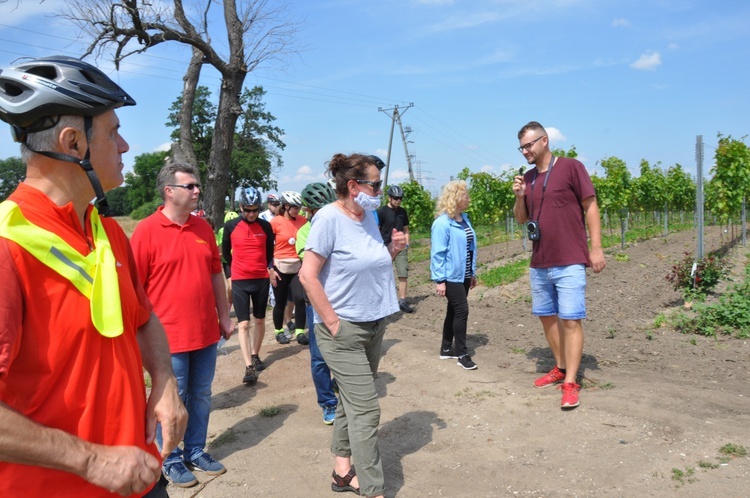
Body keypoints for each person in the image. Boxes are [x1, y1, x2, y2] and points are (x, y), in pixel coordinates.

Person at [0, 55, 186, 497]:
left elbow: (141, 316)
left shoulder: (102, 229)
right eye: (113, 133)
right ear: (72, 143)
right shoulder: (8, 245)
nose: (124, 147)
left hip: (138, 476)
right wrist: (91, 460)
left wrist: (163, 377)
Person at [299, 153, 404, 498]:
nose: (379, 190)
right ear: (353, 186)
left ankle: (342, 470)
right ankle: (373, 489)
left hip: (374, 325)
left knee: (350, 402)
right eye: (374, 184)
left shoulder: (369, 216)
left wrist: (392, 249)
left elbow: (369, 264)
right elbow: (307, 275)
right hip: (343, 329)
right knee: (367, 409)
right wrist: (332, 322)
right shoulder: (328, 219)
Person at [130, 163, 232, 487]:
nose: (197, 190)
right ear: (169, 191)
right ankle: (169, 458)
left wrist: (224, 315)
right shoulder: (146, 231)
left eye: (197, 185)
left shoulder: (204, 229)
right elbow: (135, 289)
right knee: (175, 397)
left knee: (201, 394)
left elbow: (216, 274)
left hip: (205, 332)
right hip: (167, 338)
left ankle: (196, 450)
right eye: (189, 186)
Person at [512, 121, 606, 409]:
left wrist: (597, 248)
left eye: (529, 145)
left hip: (569, 258)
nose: (525, 151)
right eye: (522, 147)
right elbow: (520, 218)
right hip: (540, 260)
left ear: (544, 140)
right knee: (547, 317)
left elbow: (590, 205)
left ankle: (571, 382)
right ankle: (560, 367)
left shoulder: (570, 167)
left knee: (571, 319)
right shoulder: (527, 178)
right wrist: (519, 197)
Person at [296, 182, 339, 425]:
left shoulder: (340, 225)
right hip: (316, 301)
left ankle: (339, 386)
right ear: (309, 211)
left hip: (342, 300)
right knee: (320, 356)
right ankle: (327, 402)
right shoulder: (304, 232)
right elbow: (314, 269)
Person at [222, 187, 275, 384]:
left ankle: (255, 354)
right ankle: (248, 366)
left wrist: (266, 270)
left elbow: (269, 253)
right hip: (240, 280)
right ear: (241, 207)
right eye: (247, 210)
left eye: (255, 210)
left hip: (260, 279)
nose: (251, 214)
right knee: (243, 324)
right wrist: (230, 276)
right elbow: (226, 254)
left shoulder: (265, 227)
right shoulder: (230, 226)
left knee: (260, 320)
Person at [430, 180, 479, 371]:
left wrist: (472, 273)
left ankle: (445, 348)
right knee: (462, 311)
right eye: (466, 195)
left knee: (453, 311)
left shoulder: (464, 219)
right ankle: (462, 354)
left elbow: (470, 248)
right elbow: (438, 253)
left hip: (464, 274)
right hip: (450, 276)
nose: (468, 199)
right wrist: (440, 280)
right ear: (456, 197)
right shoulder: (442, 223)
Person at [270, 191, 308, 345]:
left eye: (299, 208)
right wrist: (270, 269)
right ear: (285, 206)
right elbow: (267, 248)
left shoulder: (303, 221)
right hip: (280, 266)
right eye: (294, 208)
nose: (297, 211)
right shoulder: (275, 222)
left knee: (300, 298)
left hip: (297, 265)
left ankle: (299, 331)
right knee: (280, 302)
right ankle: (279, 331)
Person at [377, 184, 414, 313]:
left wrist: (406, 243)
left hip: (400, 248)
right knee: (384, 275)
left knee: (403, 274)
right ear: (389, 198)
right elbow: (377, 229)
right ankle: (383, 301)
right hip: (385, 247)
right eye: (395, 198)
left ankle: (402, 301)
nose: (398, 200)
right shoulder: (381, 211)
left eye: (400, 198)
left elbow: (406, 229)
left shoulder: (403, 212)